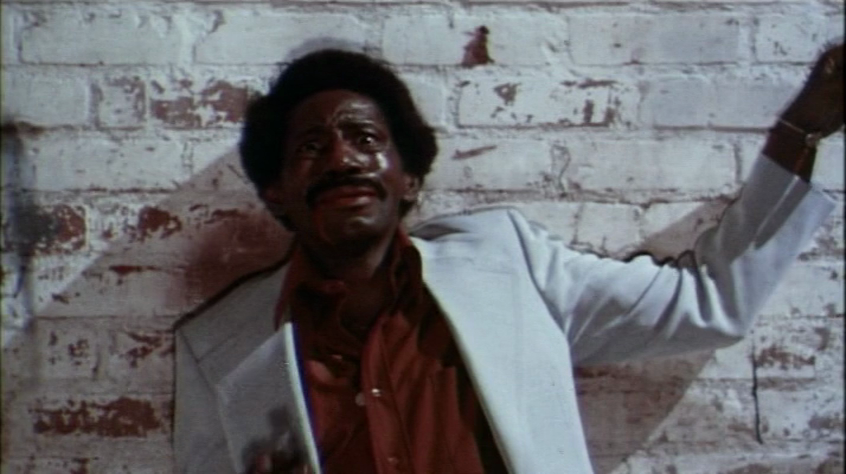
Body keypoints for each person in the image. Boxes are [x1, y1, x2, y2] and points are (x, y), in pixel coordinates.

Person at [173, 45, 843, 474]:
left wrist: (801, 131)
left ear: (409, 179)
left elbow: (708, 304)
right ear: (276, 193)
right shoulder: (219, 352)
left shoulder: (508, 267)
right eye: (310, 147)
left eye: (365, 138)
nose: (343, 158)